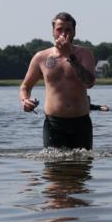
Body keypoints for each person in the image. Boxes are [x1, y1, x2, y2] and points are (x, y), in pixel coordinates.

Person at [20, 12, 97, 150]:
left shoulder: (85, 54)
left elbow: (89, 83)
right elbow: (25, 86)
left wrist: (70, 56)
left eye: (68, 30)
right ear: (53, 32)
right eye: (59, 29)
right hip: (54, 123)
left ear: (74, 32)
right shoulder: (41, 57)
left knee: (82, 168)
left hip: (81, 122)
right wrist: (25, 100)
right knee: (52, 169)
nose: (63, 33)